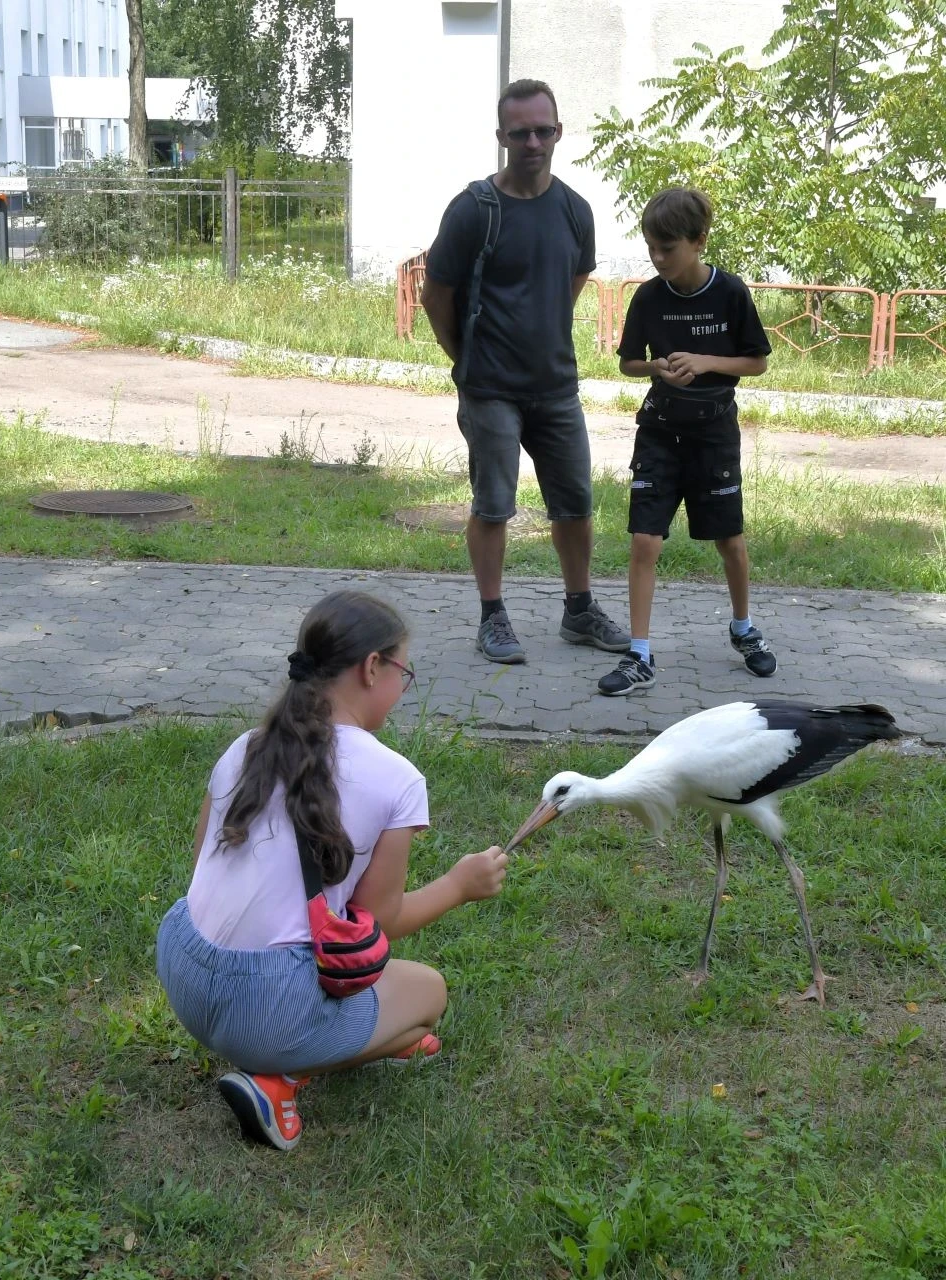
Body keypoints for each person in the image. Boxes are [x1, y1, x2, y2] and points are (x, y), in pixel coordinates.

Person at [156, 590, 508, 1152]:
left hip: (183, 969)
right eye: (404, 673)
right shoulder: (397, 779)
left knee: (408, 1029)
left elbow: (203, 860)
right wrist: (460, 886)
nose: (401, 690)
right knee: (428, 998)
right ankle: (280, 1078)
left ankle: (301, 1049)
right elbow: (381, 919)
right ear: (373, 668)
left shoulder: (245, 746)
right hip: (267, 1007)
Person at [420, 77, 630, 665]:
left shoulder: (574, 210)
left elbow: (573, 281)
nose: (533, 141)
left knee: (577, 504)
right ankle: (493, 618)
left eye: (543, 130)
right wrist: (463, 356)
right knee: (493, 506)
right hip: (489, 389)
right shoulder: (473, 210)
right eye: (521, 132)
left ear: (559, 131)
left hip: (556, 386)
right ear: (501, 137)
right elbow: (435, 292)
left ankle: (579, 610)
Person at [596, 186, 777, 697]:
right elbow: (628, 361)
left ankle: (743, 630)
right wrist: (655, 367)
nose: (657, 259)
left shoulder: (730, 292)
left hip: (715, 436)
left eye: (667, 248)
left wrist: (704, 362)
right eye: (651, 247)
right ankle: (640, 654)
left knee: (730, 541)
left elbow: (757, 361)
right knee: (644, 539)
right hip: (659, 430)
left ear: (699, 241)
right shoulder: (648, 296)